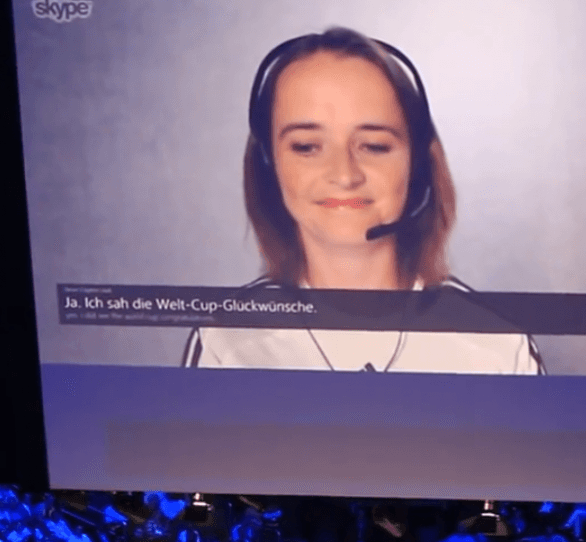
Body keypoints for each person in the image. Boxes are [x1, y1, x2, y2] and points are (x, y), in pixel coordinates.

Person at [182, 27, 544, 373]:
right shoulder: (227, 344)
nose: (344, 175)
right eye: (307, 147)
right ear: (268, 165)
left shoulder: (496, 347)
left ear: (417, 163)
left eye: (373, 146)